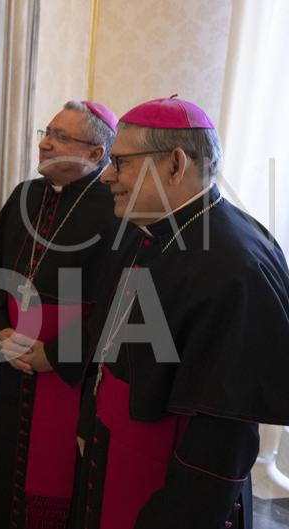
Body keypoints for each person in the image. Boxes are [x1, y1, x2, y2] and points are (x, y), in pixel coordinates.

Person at [70, 97, 289, 529]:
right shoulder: (144, 229)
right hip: (114, 451)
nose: (107, 177)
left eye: (122, 163)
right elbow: (108, 343)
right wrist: (89, 422)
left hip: (169, 488)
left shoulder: (239, 267)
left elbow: (222, 433)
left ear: (174, 164)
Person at [0, 100, 120, 529]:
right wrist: (0, 330)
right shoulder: (25, 194)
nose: (46, 144)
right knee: (8, 457)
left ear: (95, 153)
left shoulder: (114, 208)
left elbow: (117, 307)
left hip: (69, 372)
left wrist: (54, 354)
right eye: (46, 132)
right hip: (16, 353)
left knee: (57, 471)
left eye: (60, 137)